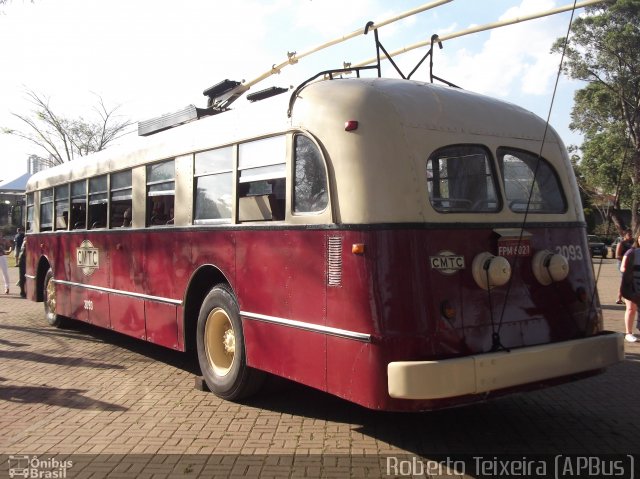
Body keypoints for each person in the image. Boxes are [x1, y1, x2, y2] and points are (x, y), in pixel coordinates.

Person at [620, 232, 640, 342]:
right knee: (631, 308)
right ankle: (628, 332)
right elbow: (623, 268)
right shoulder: (631, 252)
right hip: (631, 284)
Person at [615, 229, 633, 304]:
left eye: (631, 234)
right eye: (629, 235)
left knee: (627, 281)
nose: (631, 236)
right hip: (621, 264)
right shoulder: (621, 243)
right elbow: (617, 256)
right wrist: (626, 258)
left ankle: (623, 298)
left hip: (630, 264)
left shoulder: (631, 243)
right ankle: (619, 298)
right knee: (625, 280)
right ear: (624, 235)